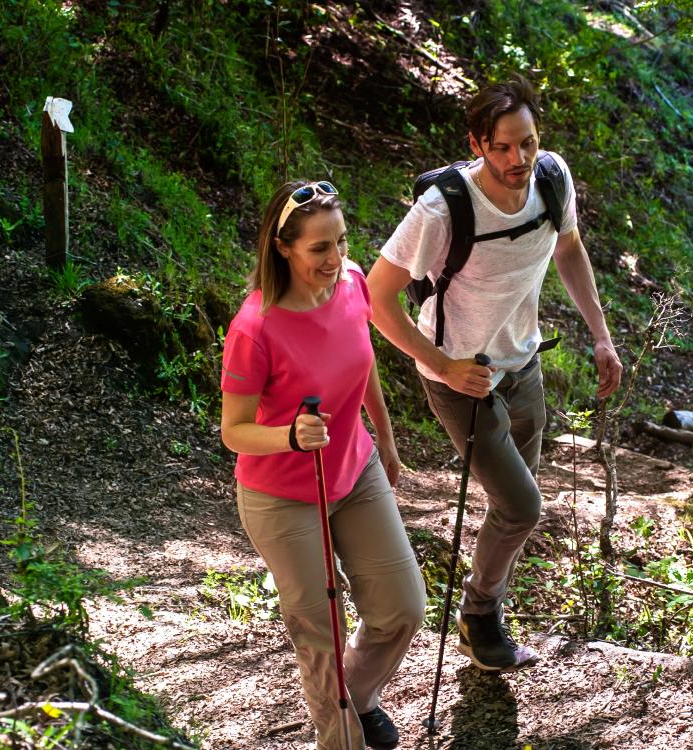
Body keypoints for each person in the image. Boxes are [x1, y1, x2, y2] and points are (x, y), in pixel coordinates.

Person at [367, 76, 623, 672]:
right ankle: (480, 614)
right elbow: (378, 298)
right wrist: (441, 366)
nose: (519, 159)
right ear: (479, 143)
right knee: (523, 508)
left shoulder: (552, 183)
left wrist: (603, 336)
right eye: (504, 147)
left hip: (523, 366)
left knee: (513, 505)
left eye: (527, 143)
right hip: (461, 380)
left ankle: (483, 613)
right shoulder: (442, 208)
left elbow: (569, 249)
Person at [221, 179, 425, 750]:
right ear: (283, 247)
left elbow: (362, 361)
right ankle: (339, 739)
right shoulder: (254, 327)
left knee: (403, 606)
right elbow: (233, 431)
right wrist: (289, 434)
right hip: (280, 495)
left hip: (353, 470)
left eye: (340, 242)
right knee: (321, 634)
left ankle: (355, 699)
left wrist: (383, 435)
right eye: (319, 249)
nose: (335, 259)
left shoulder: (354, 283)